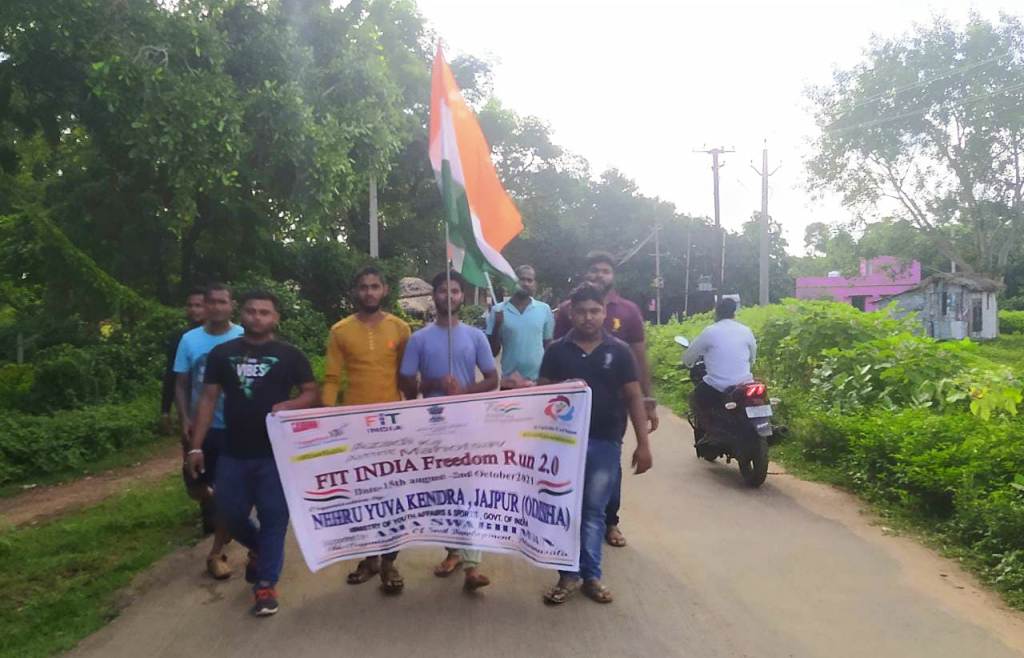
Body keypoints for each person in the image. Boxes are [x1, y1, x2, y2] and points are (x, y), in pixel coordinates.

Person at [187, 290, 318, 617]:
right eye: (251, 311)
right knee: (228, 512)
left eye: (265, 312)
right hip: (233, 451)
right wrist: (196, 445)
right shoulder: (222, 354)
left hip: (277, 454)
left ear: (276, 318)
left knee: (274, 517)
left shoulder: (290, 355)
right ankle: (260, 548)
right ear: (241, 314)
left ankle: (266, 584)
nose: (257, 317)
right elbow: (208, 400)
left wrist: (291, 405)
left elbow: (311, 392)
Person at [538, 283, 653, 605]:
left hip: (605, 441)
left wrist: (643, 444)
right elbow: (541, 394)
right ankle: (567, 575)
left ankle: (591, 576)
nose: (588, 317)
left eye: (594, 311)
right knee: (563, 509)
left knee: (593, 511)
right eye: (581, 312)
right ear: (570, 314)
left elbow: (633, 396)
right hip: (562, 445)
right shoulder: (556, 351)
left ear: (604, 313)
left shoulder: (619, 351)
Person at [398, 271, 498, 591]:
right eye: (443, 290)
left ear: (462, 296)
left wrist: (463, 392)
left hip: (468, 424)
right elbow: (408, 386)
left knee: (469, 490)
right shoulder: (419, 339)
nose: (449, 296)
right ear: (435, 296)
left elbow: (492, 379)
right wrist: (433, 383)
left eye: (455, 291)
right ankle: (453, 551)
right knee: (443, 493)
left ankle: (472, 566)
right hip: (433, 426)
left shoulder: (475, 336)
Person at [553, 250, 658, 549]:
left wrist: (648, 399)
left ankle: (610, 521)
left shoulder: (628, 311)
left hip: (613, 405)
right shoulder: (567, 310)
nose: (599, 275)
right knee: (570, 463)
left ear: (613, 276)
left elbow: (639, 356)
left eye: (605, 270)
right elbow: (555, 351)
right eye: (594, 270)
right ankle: (574, 520)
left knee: (609, 461)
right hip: (570, 408)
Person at [322, 266, 411, 594]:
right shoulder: (340, 331)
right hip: (354, 429)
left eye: (375, 286)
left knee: (393, 496)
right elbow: (332, 379)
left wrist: (413, 417)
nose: (369, 292)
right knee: (360, 496)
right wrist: (326, 419)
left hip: (392, 427)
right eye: (363, 287)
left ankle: (389, 561)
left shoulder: (400, 328)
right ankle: (369, 558)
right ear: (355, 292)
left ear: (384, 289)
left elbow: (406, 377)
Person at [173, 283, 243, 578]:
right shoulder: (189, 340)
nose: (216, 307)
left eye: (222, 302)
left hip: (236, 427)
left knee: (228, 490)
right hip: (203, 427)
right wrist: (184, 419)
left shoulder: (244, 336)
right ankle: (223, 510)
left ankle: (217, 553)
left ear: (232, 305)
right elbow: (180, 383)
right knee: (196, 486)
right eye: (211, 302)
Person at [682, 297, 757, 440]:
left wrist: (687, 362)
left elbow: (689, 357)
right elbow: (753, 357)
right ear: (734, 312)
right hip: (745, 384)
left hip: (718, 386)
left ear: (716, 313)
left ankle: (708, 434)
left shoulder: (710, 332)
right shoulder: (746, 330)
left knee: (695, 397)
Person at [485, 264, 554, 389]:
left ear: (534, 284)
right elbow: (493, 352)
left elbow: (548, 346)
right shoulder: (498, 310)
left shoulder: (544, 309)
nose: (525, 283)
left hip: (537, 382)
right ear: (513, 282)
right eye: (521, 279)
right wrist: (497, 325)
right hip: (510, 382)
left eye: (529, 280)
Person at [160, 288, 206, 432]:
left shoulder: (230, 336)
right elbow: (171, 374)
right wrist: (165, 410)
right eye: (190, 305)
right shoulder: (180, 338)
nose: (193, 310)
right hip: (189, 406)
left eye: (198, 305)